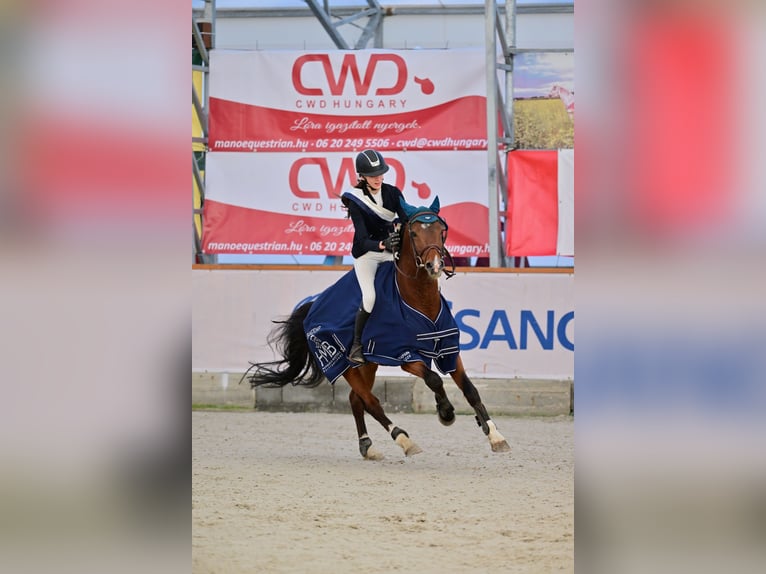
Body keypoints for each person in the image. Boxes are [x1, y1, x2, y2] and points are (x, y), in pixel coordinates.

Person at [341, 149, 408, 365]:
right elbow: (361, 239)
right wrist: (382, 243)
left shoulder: (393, 193)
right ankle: (356, 346)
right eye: (372, 175)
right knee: (370, 297)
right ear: (362, 176)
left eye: (380, 174)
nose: (378, 178)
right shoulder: (356, 200)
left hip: (390, 252)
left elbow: (406, 219)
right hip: (367, 254)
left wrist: (399, 231)